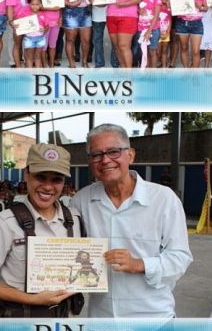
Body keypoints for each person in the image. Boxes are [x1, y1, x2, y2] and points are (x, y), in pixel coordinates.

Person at [71, 124, 193, 317]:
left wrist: (139, 264)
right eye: (96, 155)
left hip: (153, 320)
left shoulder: (163, 198)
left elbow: (180, 257)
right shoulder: (81, 200)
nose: (105, 160)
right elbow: (68, 250)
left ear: (130, 155)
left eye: (113, 151)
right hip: (102, 322)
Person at [0, 143, 83, 317]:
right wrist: (34, 300)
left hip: (64, 321)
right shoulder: (7, 221)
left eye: (56, 179)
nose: (48, 187)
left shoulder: (73, 219)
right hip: (21, 324)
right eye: (41, 177)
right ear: (26, 174)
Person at [104, 0, 144, 68]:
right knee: (116, 46)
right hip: (111, 16)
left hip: (128, 17)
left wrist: (125, 4)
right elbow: (102, 3)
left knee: (123, 45)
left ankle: (129, 73)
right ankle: (123, 69)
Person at [86, 0, 117, 68]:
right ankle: (99, 63)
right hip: (97, 14)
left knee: (115, 39)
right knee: (97, 40)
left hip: (113, 12)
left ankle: (115, 62)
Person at [59, 0, 91, 68]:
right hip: (70, 13)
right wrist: (70, 3)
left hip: (85, 12)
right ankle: (71, 63)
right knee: (70, 40)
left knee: (86, 40)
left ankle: (85, 61)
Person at [173, 0, 206, 68]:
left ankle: (194, 75)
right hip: (182, 23)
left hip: (197, 24)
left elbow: (206, 8)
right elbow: (175, 10)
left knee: (196, 51)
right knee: (184, 48)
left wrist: (201, 6)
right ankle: (186, 72)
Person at [6, 0, 36, 68]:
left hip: (31, 21)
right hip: (18, 21)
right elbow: (10, 6)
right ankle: (18, 67)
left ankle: (28, 66)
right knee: (17, 44)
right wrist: (11, 21)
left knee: (29, 45)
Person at [34, 0, 63, 68]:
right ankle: (44, 67)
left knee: (53, 45)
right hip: (44, 22)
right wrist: (52, 8)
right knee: (43, 46)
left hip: (56, 22)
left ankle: (51, 66)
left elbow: (60, 5)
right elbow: (37, 6)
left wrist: (60, 17)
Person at [134, 0, 162, 69]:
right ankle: (147, 69)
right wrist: (139, 10)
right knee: (144, 51)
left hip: (153, 29)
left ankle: (153, 73)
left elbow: (156, 15)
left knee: (152, 51)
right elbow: (139, 11)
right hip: (141, 29)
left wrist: (149, 31)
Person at [156, 0, 172, 68]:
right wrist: (159, 33)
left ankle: (164, 67)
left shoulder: (169, 8)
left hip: (165, 32)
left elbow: (170, 20)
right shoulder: (155, 6)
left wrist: (168, 32)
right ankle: (154, 66)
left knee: (164, 51)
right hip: (157, 32)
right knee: (157, 51)